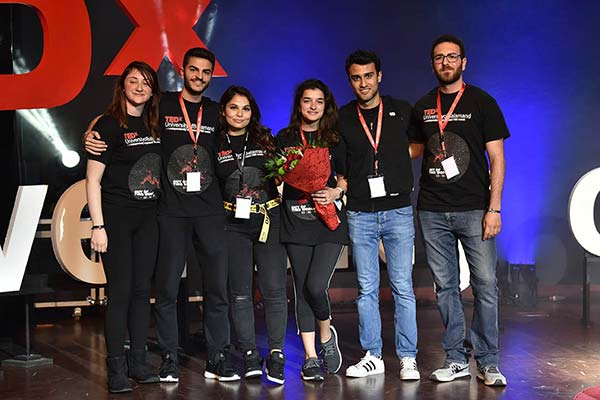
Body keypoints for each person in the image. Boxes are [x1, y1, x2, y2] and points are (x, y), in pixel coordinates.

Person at [85, 48, 237, 383]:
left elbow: (246, 125)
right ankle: (168, 358)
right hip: (170, 212)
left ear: (212, 75)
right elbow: (114, 119)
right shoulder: (162, 104)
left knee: (216, 289)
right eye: (193, 70)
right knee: (164, 290)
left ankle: (218, 357)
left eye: (205, 72)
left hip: (209, 211)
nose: (199, 76)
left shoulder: (215, 111)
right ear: (183, 71)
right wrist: (91, 131)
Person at [411, 34, 509, 386]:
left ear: (464, 62)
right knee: (445, 287)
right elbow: (413, 150)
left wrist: (494, 208)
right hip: (432, 210)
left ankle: (488, 361)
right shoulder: (424, 106)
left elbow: (497, 158)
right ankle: (456, 359)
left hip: (474, 209)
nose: (446, 62)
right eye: (439, 57)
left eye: (452, 57)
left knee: (485, 284)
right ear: (432, 64)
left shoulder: (483, 102)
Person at [337, 50, 421, 381]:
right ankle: (373, 355)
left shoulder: (401, 110)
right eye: (356, 78)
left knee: (403, 286)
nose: (363, 83)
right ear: (350, 81)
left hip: (398, 209)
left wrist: (395, 158)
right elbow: (340, 164)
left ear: (379, 77)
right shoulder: (344, 116)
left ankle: (408, 357)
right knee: (366, 288)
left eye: (368, 76)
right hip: (360, 211)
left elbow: (420, 145)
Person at [85, 61, 161, 393]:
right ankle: (115, 367)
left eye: (146, 82)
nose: (140, 87)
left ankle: (138, 363)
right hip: (116, 220)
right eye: (133, 81)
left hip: (148, 220)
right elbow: (92, 180)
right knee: (120, 292)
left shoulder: (155, 123)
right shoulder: (108, 125)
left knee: (143, 292)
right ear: (122, 86)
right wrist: (97, 226)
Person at [214, 86, 288, 384]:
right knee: (240, 292)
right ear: (223, 111)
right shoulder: (214, 142)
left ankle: (277, 354)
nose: (240, 114)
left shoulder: (265, 139)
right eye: (234, 108)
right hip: (233, 223)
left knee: (274, 290)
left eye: (245, 109)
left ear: (252, 112)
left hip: (269, 219)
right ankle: (248, 353)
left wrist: (286, 171)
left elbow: (282, 176)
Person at [276, 79, 348, 381]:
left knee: (316, 286)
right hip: (295, 221)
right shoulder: (285, 138)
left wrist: (336, 192)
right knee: (301, 288)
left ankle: (326, 334)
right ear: (299, 104)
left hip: (327, 222)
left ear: (326, 105)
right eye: (307, 100)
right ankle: (311, 357)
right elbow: (276, 175)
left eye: (319, 101)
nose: (313, 106)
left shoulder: (334, 138)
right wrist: (282, 174)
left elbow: (344, 177)